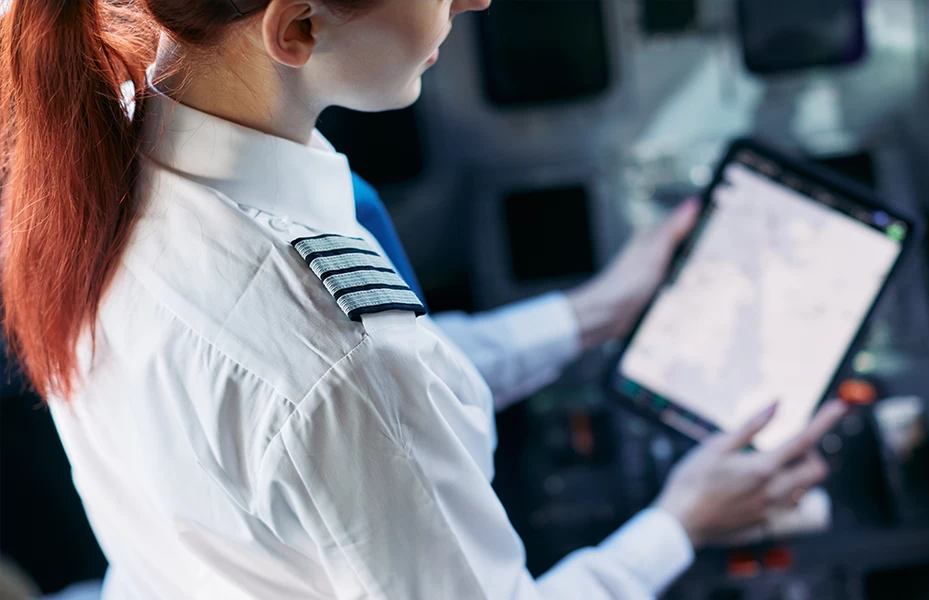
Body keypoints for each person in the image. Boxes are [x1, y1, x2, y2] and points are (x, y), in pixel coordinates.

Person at [0, 1, 848, 598]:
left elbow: (346, 407)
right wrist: (682, 522)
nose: (476, 0)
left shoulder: (105, 149)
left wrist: (592, 312)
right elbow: (350, 393)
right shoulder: (343, 357)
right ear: (296, 25)